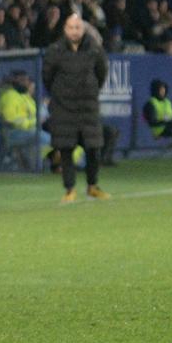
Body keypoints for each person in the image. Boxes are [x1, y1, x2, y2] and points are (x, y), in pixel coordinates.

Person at [43, 12, 109, 202]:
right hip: (64, 109)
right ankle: (70, 189)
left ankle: (92, 186)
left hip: (88, 108)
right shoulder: (55, 50)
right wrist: (62, 94)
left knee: (93, 149)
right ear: (65, 29)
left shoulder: (94, 50)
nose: (74, 31)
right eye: (71, 27)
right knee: (66, 150)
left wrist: (89, 90)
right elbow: (47, 76)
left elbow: (101, 74)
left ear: (83, 29)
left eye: (78, 27)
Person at [0, 70, 50, 168]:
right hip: (13, 133)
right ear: (15, 81)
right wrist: (36, 122)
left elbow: (35, 115)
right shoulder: (10, 96)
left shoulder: (24, 97)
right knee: (44, 138)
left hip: (28, 131)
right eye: (23, 80)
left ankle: (38, 165)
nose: (26, 83)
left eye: (26, 80)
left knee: (49, 136)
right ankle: (42, 166)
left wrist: (43, 112)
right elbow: (11, 121)